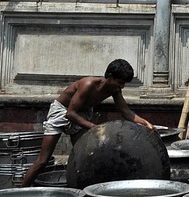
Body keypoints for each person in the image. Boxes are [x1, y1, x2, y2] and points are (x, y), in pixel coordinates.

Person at [20, 58, 155, 186]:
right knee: (43, 161)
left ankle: (78, 191)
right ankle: (20, 191)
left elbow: (126, 112)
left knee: (82, 159)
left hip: (81, 115)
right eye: (120, 82)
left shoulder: (115, 89)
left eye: (124, 83)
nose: (122, 86)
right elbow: (70, 113)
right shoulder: (88, 84)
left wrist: (146, 123)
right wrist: (93, 127)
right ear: (110, 76)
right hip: (61, 112)